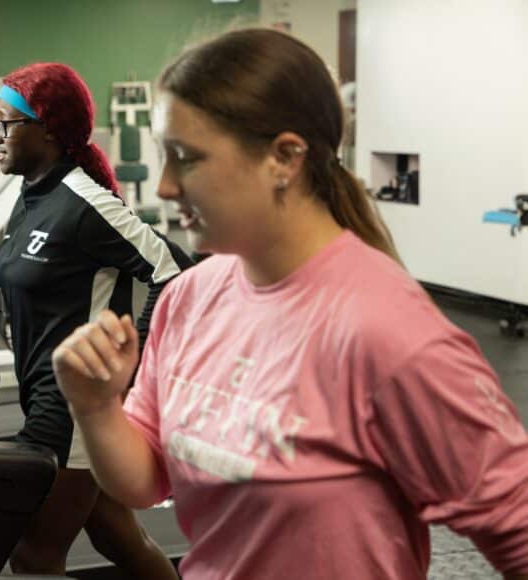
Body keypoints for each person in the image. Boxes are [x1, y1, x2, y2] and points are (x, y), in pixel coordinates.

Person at [52, 28, 528, 580]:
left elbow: (518, 530)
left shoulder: (389, 331)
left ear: (284, 158)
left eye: (185, 158)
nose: (163, 186)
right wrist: (95, 407)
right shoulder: (189, 297)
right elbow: (144, 479)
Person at [0, 62, 191, 577]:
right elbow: (9, 310)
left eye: (4, 124)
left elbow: (175, 271)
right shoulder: (30, 199)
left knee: (33, 555)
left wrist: (134, 364)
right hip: (45, 400)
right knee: (121, 541)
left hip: (72, 413)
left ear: (47, 128)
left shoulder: (86, 202)